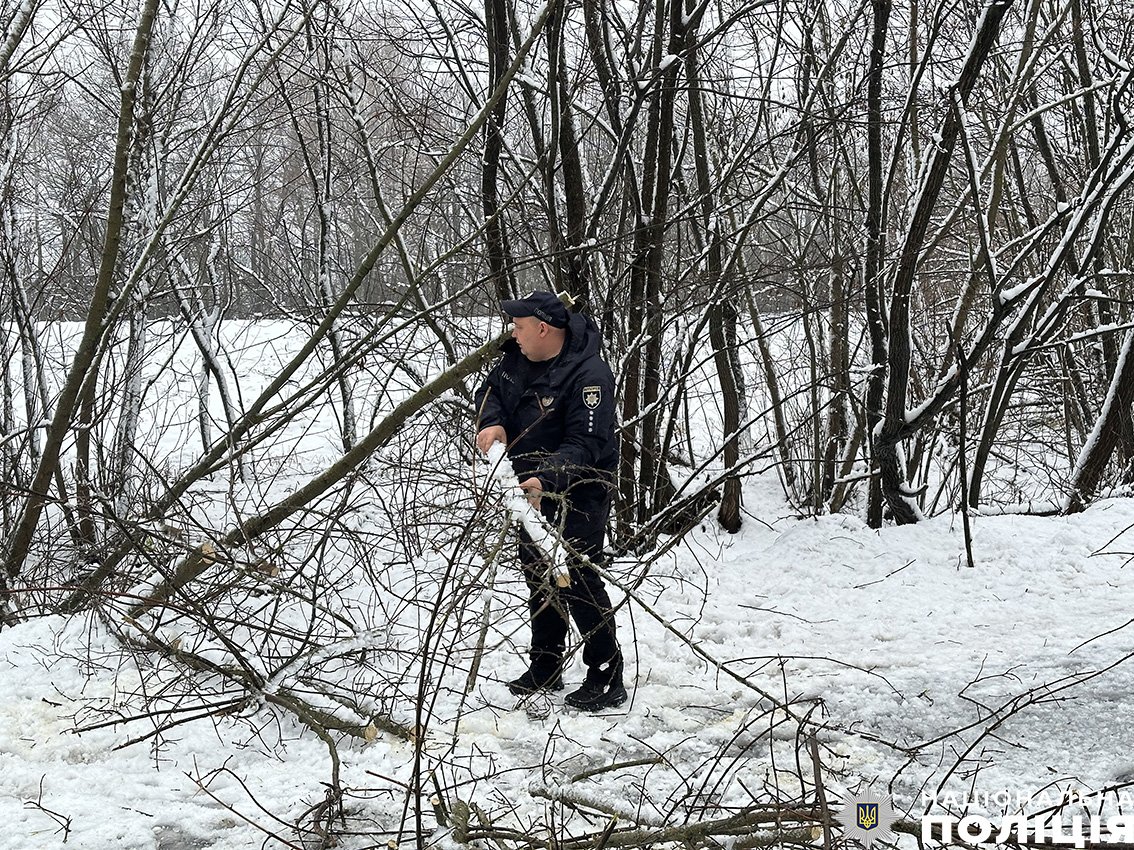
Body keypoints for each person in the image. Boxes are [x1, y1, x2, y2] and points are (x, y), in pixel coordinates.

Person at [474, 291, 627, 711]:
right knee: (538, 573)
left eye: (519, 326)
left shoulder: (589, 374)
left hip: (579, 487)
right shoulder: (517, 357)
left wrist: (547, 476)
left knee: (576, 577)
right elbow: (491, 395)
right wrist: (493, 426)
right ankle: (546, 664)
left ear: (543, 328)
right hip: (528, 489)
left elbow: (588, 442)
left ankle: (606, 675)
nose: (513, 333)